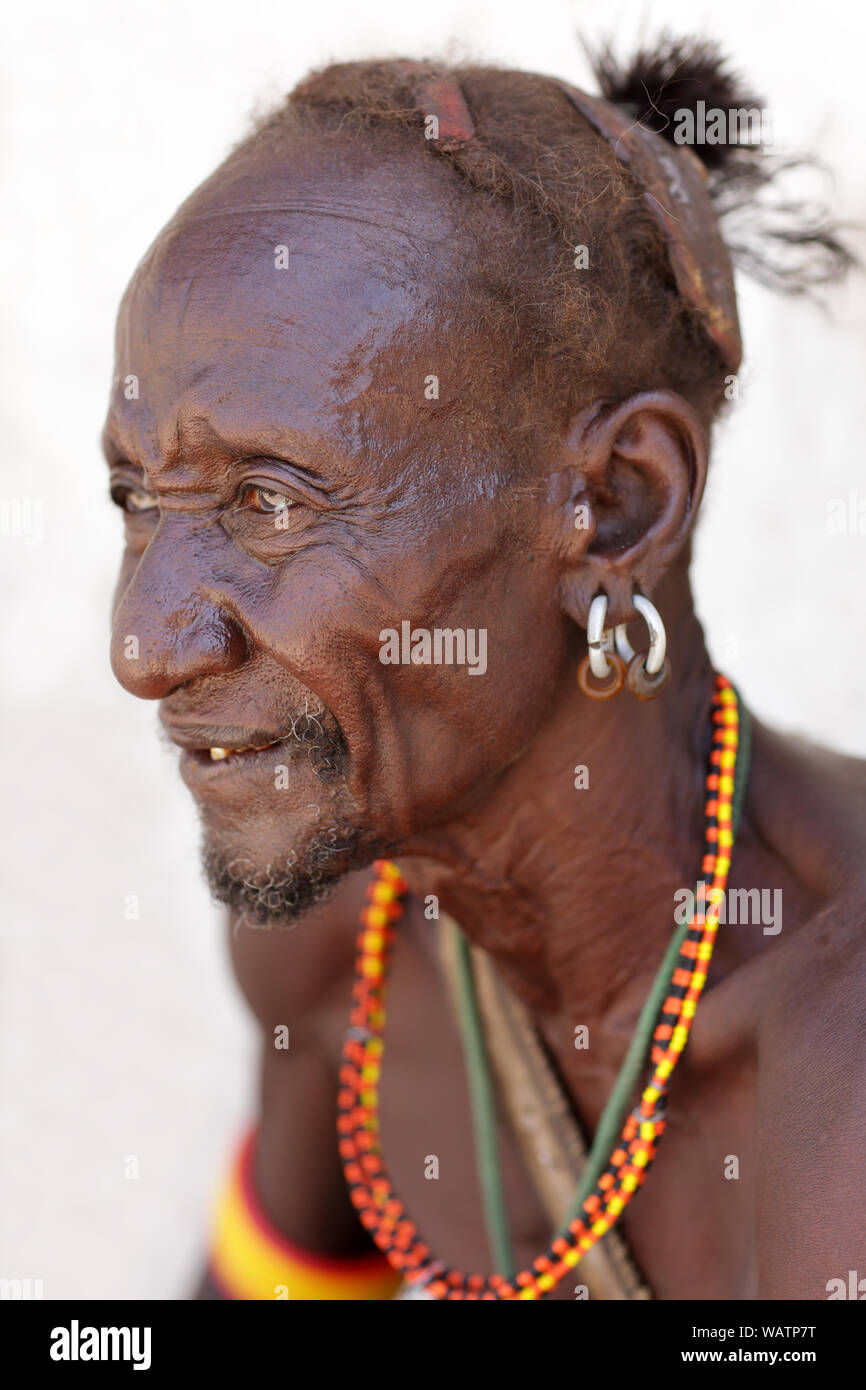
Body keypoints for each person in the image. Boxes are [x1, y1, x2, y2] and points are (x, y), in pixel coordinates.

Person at [104, 36, 864, 1300]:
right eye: (138, 495)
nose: (145, 644)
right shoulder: (345, 948)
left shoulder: (834, 1085)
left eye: (269, 502)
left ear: (617, 508)